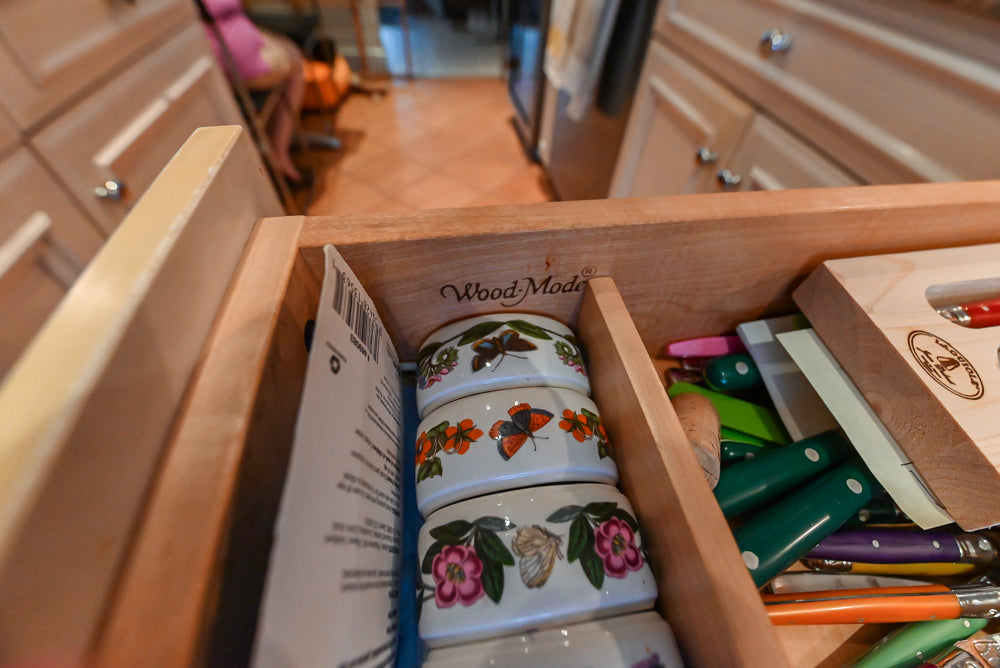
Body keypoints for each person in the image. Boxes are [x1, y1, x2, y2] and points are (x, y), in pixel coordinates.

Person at [200, 0, 305, 182]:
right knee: (294, 57)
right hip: (241, 66)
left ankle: (274, 143)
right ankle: (279, 151)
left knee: (283, 46)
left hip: (215, 64)